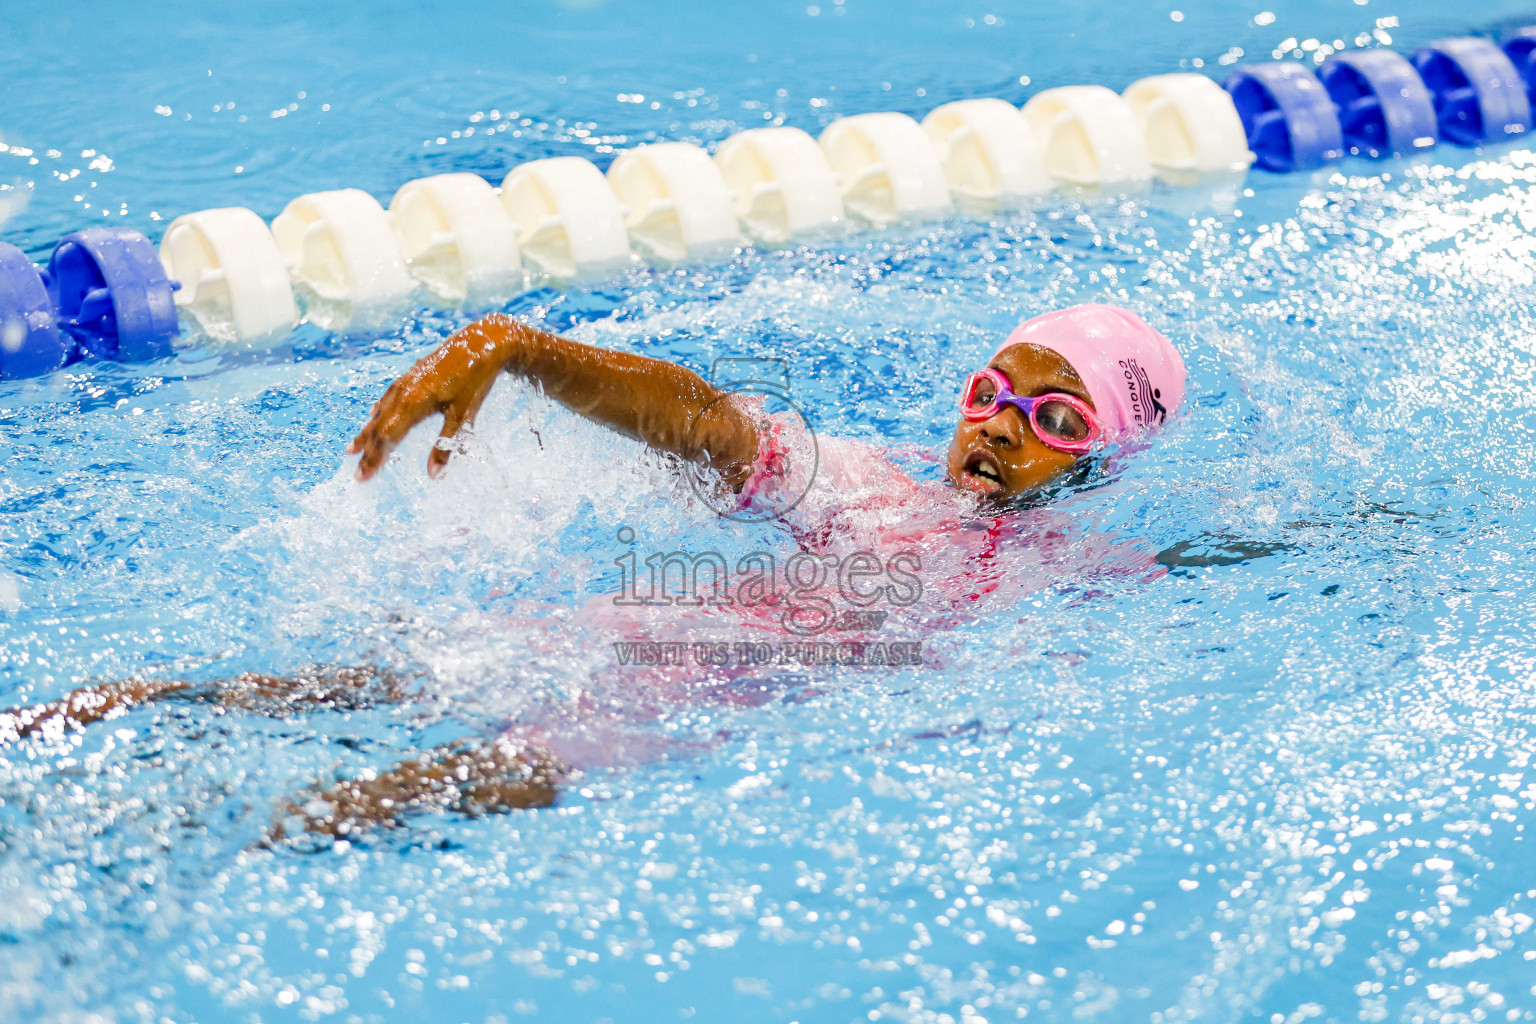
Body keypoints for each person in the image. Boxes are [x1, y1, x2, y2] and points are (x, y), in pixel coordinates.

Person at [0, 305, 1187, 844]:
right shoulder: (879, 491)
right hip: (598, 650)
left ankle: (139, 855)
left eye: (1055, 416)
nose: (1000, 424)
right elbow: (711, 425)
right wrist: (525, 352)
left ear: (1107, 456)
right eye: (992, 390)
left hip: (638, 717)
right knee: (292, 691)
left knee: (330, 811)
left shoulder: (1090, 575)